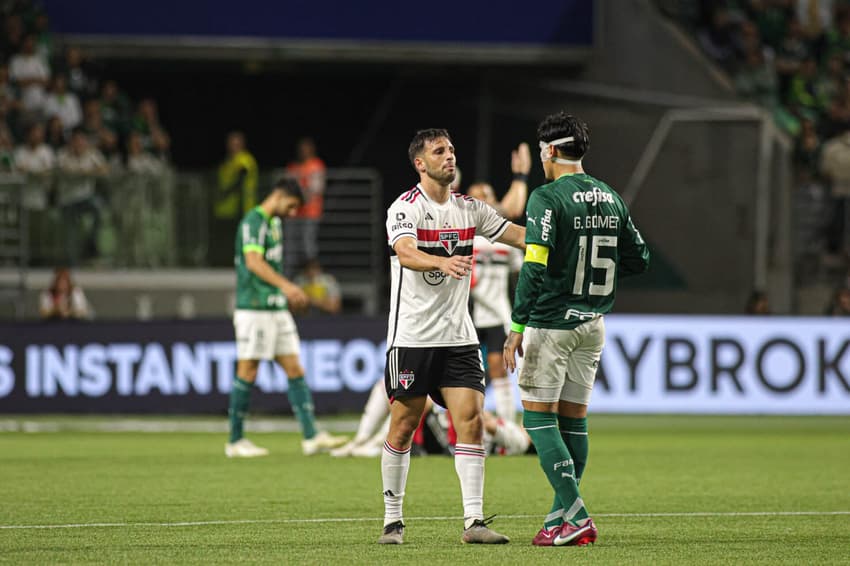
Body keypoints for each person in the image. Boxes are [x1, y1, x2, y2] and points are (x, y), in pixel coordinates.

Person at [503, 111, 650, 547]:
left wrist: (516, 327)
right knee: (574, 423)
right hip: (593, 324)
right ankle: (557, 520)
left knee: (537, 420)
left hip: (552, 324)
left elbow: (533, 267)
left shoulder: (547, 198)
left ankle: (578, 515)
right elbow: (639, 259)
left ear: (549, 151)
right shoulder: (611, 197)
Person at [378, 128, 526, 545]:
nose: (449, 156)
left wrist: (554, 243)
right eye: (439, 151)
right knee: (404, 426)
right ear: (420, 163)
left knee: (472, 422)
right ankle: (393, 519)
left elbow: (515, 234)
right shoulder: (405, 208)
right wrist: (442, 263)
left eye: (452, 149)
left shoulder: (470, 208)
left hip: (458, 338)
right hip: (412, 337)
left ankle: (473, 522)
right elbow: (405, 252)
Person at [227, 177, 347, 458]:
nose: (293, 213)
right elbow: (254, 263)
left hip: (276, 309)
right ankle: (235, 441)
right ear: (279, 196)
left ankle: (311, 436)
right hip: (254, 308)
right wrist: (288, 286)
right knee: (248, 371)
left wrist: (284, 294)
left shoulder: (275, 224)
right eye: (291, 206)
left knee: (295, 367)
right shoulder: (253, 222)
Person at [467, 144, 530, 422]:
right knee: (465, 374)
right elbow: (512, 208)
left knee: (497, 368)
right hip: (465, 313)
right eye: (477, 197)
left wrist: (520, 178)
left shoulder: (500, 241)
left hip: (495, 315)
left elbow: (510, 211)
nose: (483, 201)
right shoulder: (463, 235)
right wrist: (520, 178)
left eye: (487, 196)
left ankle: (507, 426)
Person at [213, 130, 258, 266]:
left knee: (242, 239)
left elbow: (241, 178)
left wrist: (225, 193)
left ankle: (242, 264)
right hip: (225, 209)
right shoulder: (227, 162)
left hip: (242, 208)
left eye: (236, 143)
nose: (233, 146)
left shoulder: (244, 159)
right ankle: (226, 263)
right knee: (226, 240)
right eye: (231, 143)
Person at [284, 137, 325, 275]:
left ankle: (312, 276)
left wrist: (300, 189)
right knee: (291, 248)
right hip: (293, 214)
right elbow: (286, 188)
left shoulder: (316, 165)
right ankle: (291, 277)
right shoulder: (292, 166)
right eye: (301, 149)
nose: (303, 152)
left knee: (308, 246)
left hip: (310, 213)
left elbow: (316, 189)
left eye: (306, 149)